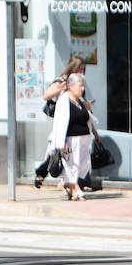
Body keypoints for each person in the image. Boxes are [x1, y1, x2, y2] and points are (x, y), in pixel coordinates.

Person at [34, 57, 88, 190]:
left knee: (66, 154)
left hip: (74, 122)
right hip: (63, 122)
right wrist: (61, 88)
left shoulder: (78, 82)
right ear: (74, 67)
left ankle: (68, 183)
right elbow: (46, 95)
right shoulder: (63, 80)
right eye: (80, 69)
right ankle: (43, 175)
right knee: (55, 151)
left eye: (83, 69)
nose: (82, 72)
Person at [48, 73, 93, 202]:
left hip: (83, 138)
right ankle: (75, 189)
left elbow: (87, 118)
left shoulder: (80, 101)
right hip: (71, 139)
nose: (83, 88)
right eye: (80, 86)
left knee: (83, 164)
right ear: (71, 86)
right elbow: (60, 123)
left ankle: (70, 185)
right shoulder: (64, 101)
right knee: (71, 165)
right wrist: (62, 142)